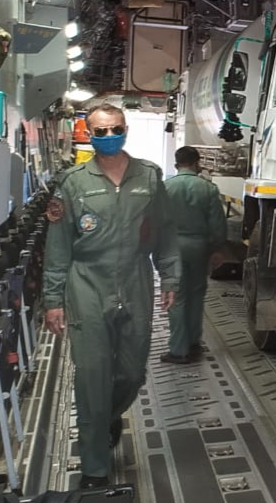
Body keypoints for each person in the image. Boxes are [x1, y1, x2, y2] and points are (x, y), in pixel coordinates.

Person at [42, 103, 181, 489]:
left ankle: (107, 414)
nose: (108, 137)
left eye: (115, 129)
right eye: (99, 131)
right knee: (92, 376)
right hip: (87, 282)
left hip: (135, 280)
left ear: (125, 128)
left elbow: (165, 233)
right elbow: (58, 246)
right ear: (88, 133)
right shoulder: (73, 182)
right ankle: (94, 469)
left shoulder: (149, 177)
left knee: (132, 373)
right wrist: (53, 300)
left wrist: (169, 278)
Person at [162, 147, 227, 364]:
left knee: (176, 296)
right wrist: (218, 248)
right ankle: (193, 342)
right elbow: (218, 223)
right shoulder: (208, 188)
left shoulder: (165, 187)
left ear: (176, 163)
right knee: (197, 294)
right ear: (196, 163)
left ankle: (178, 350)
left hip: (172, 248)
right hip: (199, 247)